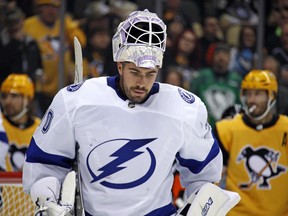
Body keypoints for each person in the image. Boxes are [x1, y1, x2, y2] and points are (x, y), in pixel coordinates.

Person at [23, 10, 239, 216]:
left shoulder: (184, 109)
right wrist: (49, 202)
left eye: (150, 74)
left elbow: (204, 176)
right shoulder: (76, 101)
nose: (141, 83)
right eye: (134, 72)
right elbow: (44, 164)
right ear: (119, 66)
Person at [215, 70, 288, 216]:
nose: (252, 100)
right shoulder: (227, 129)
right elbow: (213, 177)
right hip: (237, 213)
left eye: (258, 94)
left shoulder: (286, 128)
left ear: (271, 96)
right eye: (248, 94)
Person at [0, 74, 41, 171]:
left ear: (28, 99)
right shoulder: (0, 125)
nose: (8, 101)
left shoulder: (41, 128)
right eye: (4, 96)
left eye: (14, 96)